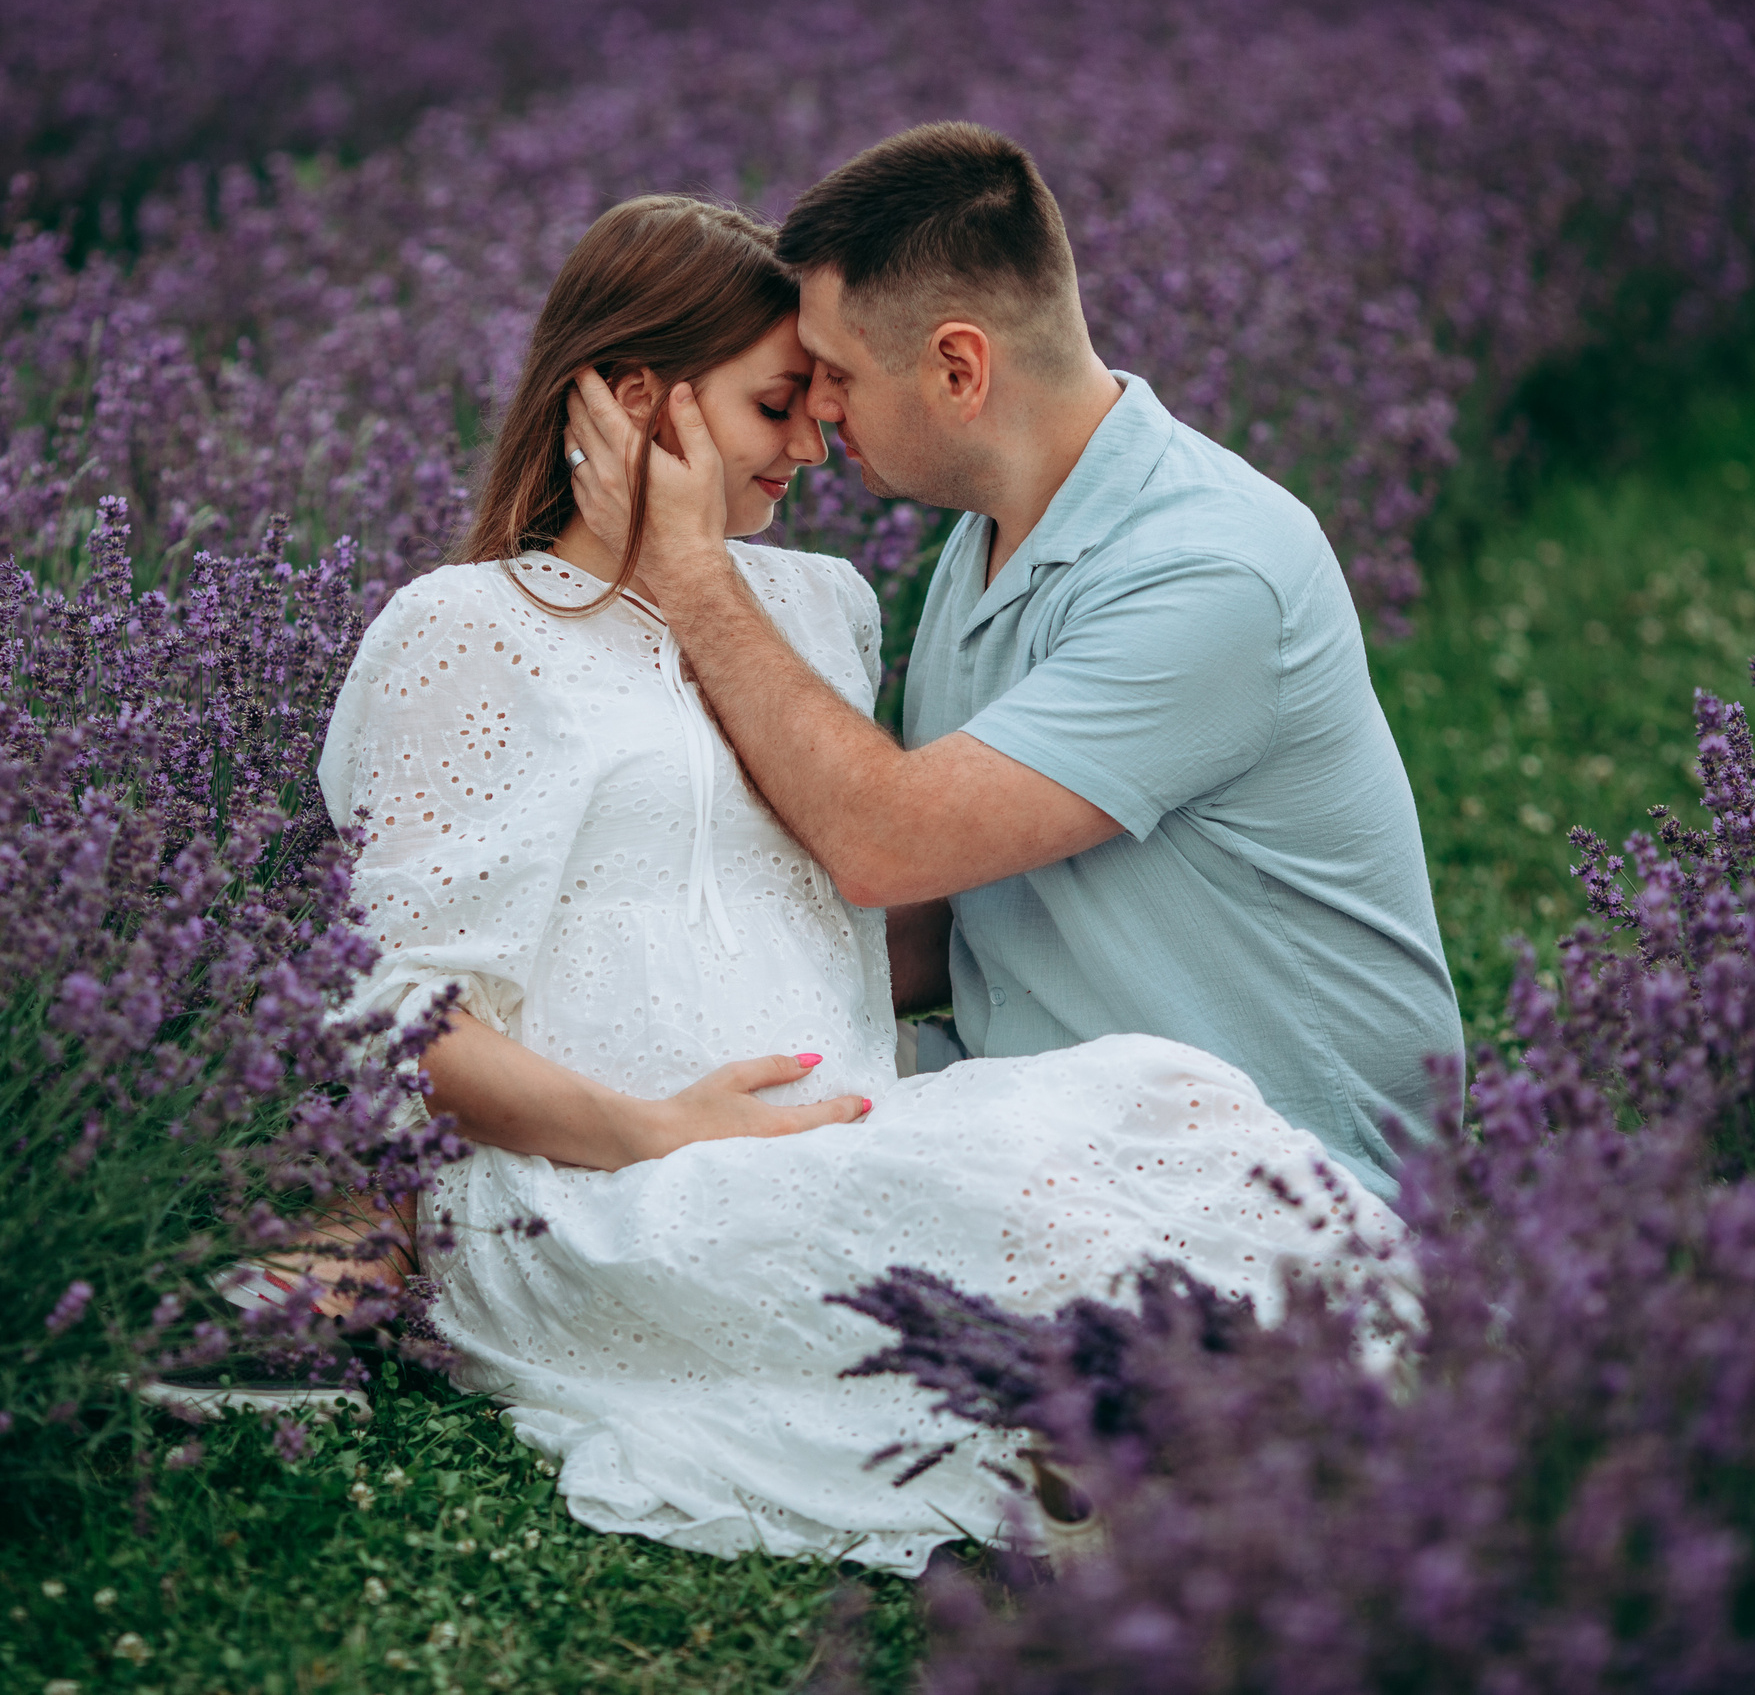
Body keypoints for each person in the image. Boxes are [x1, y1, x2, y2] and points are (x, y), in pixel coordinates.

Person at [295, 192, 1403, 1576]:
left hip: (849, 1121)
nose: (818, 446)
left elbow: (854, 885)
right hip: (599, 1175)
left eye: (823, 401)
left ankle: (1242, 1449)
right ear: (641, 400)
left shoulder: (820, 606)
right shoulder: (464, 630)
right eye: (777, 405)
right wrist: (654, 1130)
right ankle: (1174, 1475)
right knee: (1022, 1231)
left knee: (1174, 1109)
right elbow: (406, 1011)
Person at [563, 123, 1460, 1203]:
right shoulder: (989, 537)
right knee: (634, 1159)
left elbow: (885, 848)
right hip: (1030, 1114)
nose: (819, 414)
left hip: (1277, 1176)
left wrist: (689, 572)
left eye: (836, 374)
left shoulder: (1210, 572)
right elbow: (941, 914)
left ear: (958, 366)